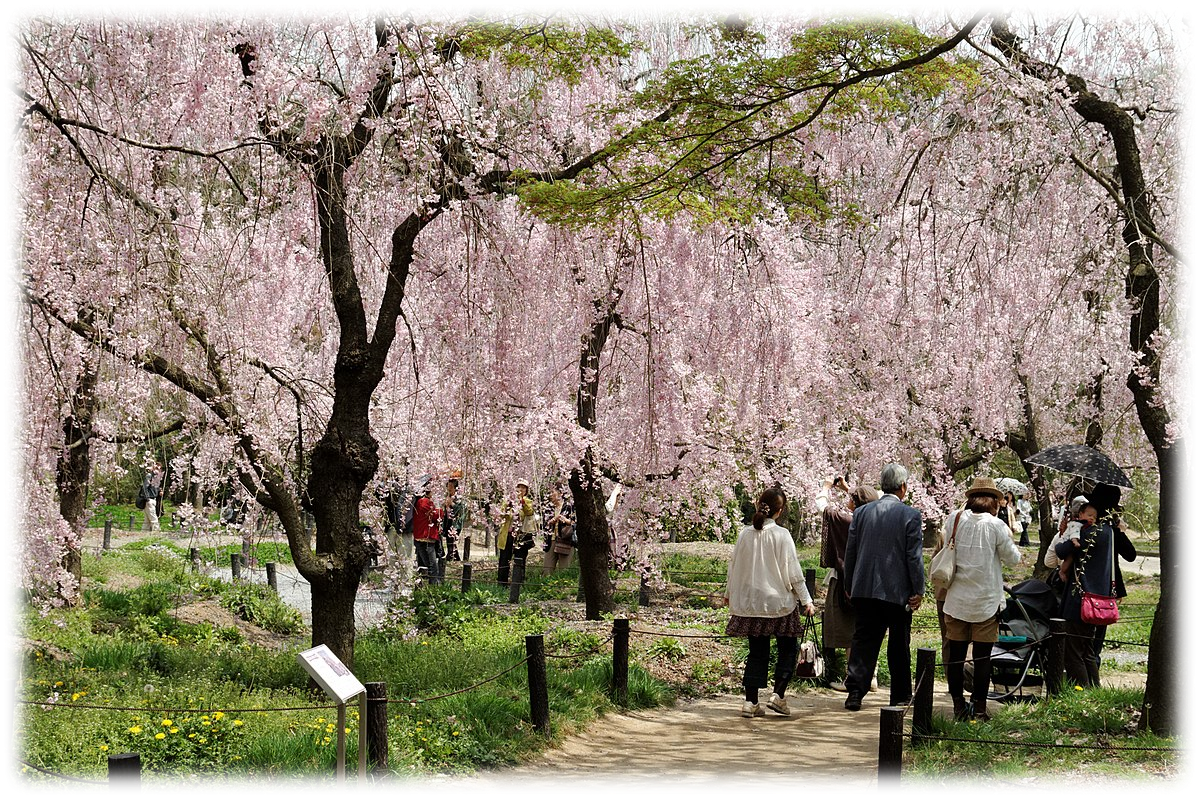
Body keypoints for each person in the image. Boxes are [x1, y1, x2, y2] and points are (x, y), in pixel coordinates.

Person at [724, 486, 816, 718]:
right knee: (787, 649)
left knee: (756, 652)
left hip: (752, 603)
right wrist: (806, 599)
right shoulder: (782, 535)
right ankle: (778, 695)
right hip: (779, 604)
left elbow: (733, 567)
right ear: (780, 511)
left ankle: (750, 702)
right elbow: (794, 572)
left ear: (758, 505)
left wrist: (728, 593)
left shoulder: (744, 534)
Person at [842, 462, 924, 711]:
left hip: (865, 587)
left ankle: (855, 692)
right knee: (899, 643)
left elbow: (851, 551)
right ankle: (899, 696)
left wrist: (849, 584)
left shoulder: (862, 512)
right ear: (903, 487)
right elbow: (914, 557)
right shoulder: (911, 515)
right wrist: (918, 590)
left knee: (863, 640)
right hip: (897, 591)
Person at [940, 477, 1023, 721]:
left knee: (956, 654)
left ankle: (957, 705)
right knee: (982, 657)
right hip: (986, 603)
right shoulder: (996, 526)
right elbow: (1013, 559)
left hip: (956, 600)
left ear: (971, 499)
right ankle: (979, 708)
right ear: (995, 503)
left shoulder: (955, 518)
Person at [815, 476, 880, 692]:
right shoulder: (877, 520)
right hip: (873, 581)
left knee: (851, 632)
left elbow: (823, 507)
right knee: (868, 629)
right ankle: (870, 676)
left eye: (851, 497)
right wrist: (846, 489)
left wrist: (825, 487)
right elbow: (867, 502)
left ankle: (852, 679)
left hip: (847, 581)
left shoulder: (846, 520)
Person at [1054, 483, 1121, 687]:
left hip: (1080, 599)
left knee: (1073, 651)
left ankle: (1081, 692)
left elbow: (1061, 551)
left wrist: (1066, 534)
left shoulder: (1090, 532)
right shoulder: (1109, 531)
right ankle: (1094, 689)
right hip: (1099, 598)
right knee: (1088, 650)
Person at [1046, 498, 1098, 584]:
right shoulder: (1083, 529)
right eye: (1090, 515)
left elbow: (1049, 562)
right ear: (1081, 514)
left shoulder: (1079, 529)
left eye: (1094, 517)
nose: (1091, 518)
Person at [497, 478, 537, 586]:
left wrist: (522, 502)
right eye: (519, 487)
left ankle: (518, 583)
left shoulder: (527, 501)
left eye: (523, 487)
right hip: (508, 535)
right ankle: (502, 583)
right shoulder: (508, 500)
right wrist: (508, 505)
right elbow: (501, 514)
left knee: (520, 559)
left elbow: (529, 512)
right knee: (504, 559)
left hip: (521, 536)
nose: (521, 489)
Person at [411, 475, 443, 584]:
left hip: (420, 536)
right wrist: (439, 505)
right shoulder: (425, 502)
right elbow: (438, 516)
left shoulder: (421, 501)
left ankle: (430, 585)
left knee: (426, 564)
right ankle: (434, 585)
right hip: (426, 537)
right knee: (432, 565)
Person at [541, 483, 576, 575]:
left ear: (560, 493)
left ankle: (562, 588)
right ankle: (546, 587)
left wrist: (566, 520)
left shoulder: (569, 506)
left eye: (553, 492)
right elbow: (544, 524)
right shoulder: (548, 508)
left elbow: (576, 522)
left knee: (564, 570)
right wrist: (551, 521)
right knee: (547, 570)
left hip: (565, 540)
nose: (550, 495)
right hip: (551, 540)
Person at [442, 477, 466, 562]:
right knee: (449, 540)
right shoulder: (448, 495)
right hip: (448, 521)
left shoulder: (459, 497)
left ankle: (453, 558)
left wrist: (451, 503)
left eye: (451, 486)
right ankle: (452, 556)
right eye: (448, 486)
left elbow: (460, 509)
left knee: (452, 540)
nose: (449, 488)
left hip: (455, 522)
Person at [141, 461, 164, 532]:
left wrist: (160, 491)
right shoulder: (149, 476)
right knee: (154, 518)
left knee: (147, 520)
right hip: (149, 500)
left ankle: (143, 534)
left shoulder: (156, 478)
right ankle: (157, 532)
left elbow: (155, 487)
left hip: (154, 499)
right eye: (156, 468)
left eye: (159, 468)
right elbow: (145, 487)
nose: (158, 470)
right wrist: (147, 499)